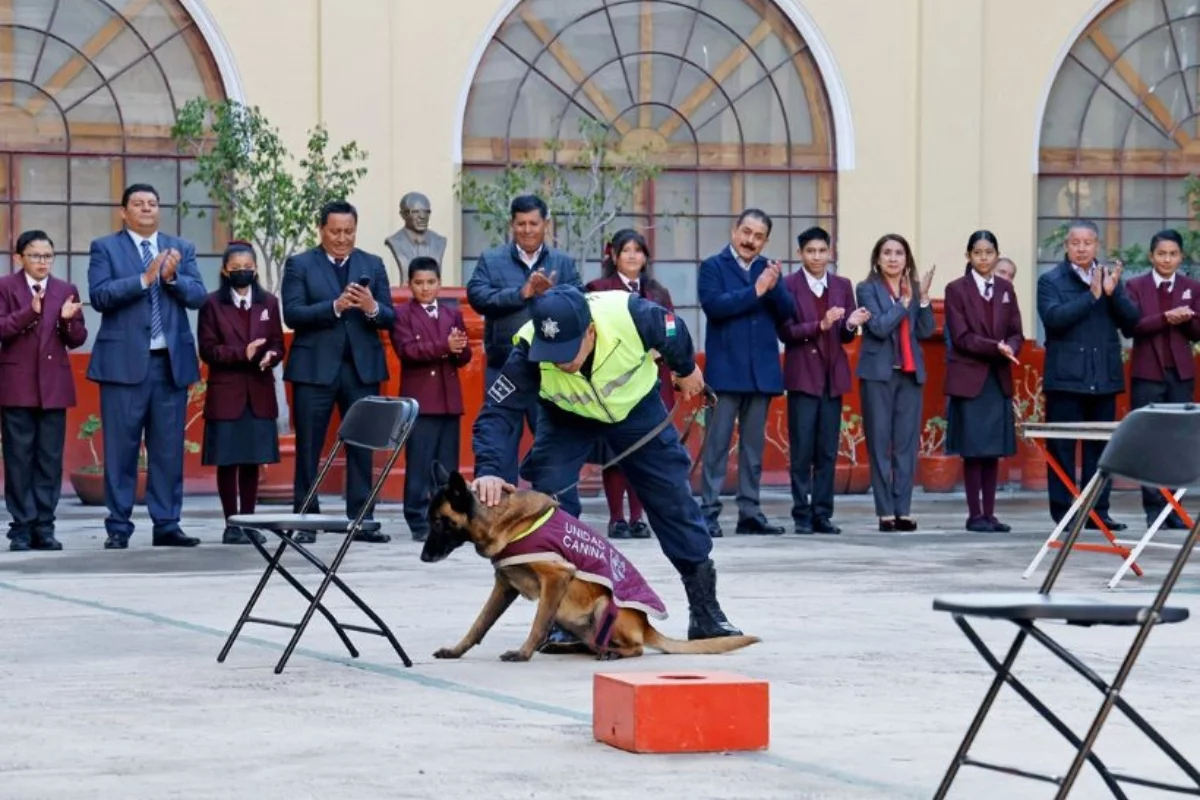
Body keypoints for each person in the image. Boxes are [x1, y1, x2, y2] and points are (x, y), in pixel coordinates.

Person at [472, 284, 744, 642]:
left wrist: (685, 367)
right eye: (550, 352)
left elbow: (673, 329)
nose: (559, 361)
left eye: (567, 352)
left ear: (590, 331)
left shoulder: (629, 314)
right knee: (550, 503)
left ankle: (706, 611)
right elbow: (497, 412)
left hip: (636, 410)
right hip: (566, 415)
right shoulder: (527, 351)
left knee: (672, 500)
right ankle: (564, 620)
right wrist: (489, 468)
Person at [86, 183, 207, 549]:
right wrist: (145, 278)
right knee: (120, 450)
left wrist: (171, 278)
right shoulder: (105, 248)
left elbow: (199, 296)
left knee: (168, 449)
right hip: (122, 366)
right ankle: (118, 526)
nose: (146, 209)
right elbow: (100, 296)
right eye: (137, 204)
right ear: (124, 212)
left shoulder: (180, 248)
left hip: (168, 364)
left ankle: (167, 523)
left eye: (152, 203)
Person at [281, 200, 395, 543]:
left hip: (361, 368)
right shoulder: (300, 264)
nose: (343, 238)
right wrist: (334, 307)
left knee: (363, 443)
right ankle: (306, 519)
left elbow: (390, 316)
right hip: (314, 368)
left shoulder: (372, 264)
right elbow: (293, 313)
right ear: (321, 230)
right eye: (335, 231)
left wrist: (372, 308)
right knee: (309, 446)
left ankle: (362, 518)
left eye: (349, 231)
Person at [466, 195, 581, 485]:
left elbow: (582, 303)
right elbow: (477, 296)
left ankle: (556, 516)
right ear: (512, 224)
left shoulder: (563, 262)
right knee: (500, 440)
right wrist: (522, 293)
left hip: (550, 368)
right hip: (503, 366)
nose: (527, 230)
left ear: (546, 224)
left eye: (534, 223)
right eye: (521, 224)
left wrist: (554, 294)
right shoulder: (491, 260)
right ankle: (501, 515)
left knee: (550, 442)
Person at [697, 208, 795, 538]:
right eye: (746, 232)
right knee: (717, 446)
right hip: (725, 372)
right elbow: (716, 306)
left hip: (760, 373)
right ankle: (708, 511)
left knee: (753, 450)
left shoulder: (768, 271)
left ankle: (750, 512)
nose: (750, 241)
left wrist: (774, 284)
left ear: (765, 241)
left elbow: (787, 313)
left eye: (758, 236)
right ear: (734, 231)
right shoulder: (712, 266)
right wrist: (756, 290)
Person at [1037, 219, 1139, 530]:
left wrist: (1112, 295)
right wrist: (1091, 296)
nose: (1082, 248)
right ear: (1066, 246)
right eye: (1075, 243)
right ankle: (1065, 513)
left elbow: (1132, 324)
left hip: (1103, 378)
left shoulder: (1110, 278)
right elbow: (1054, 319)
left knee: (1100, 451)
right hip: (1066, 379)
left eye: (1088, 243)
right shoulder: (1050, 280)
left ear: (1097, 246)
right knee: (1063, 449)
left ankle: (1097, 512)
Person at [777, 227, 869, 535]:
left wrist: (850, 325)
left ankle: (822, 514)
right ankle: (801, 514)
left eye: (822, 251)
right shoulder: (788, 285)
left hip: (832, 377)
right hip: (803, 376)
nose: (817, 257)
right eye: (810, 251)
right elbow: (786, 332)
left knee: (828, 450)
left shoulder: (842, 285)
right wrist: (821, 323)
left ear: (831, 252)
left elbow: (844, 334)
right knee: (802, 450)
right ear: (801, 254)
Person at [584, 228, 675, 540]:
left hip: (651, 381)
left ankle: (638, 518)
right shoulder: (598, 289)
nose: (633, 256)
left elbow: (672, 330)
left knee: (644, 451)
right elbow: (590, 331)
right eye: (626, 250)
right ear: (614, 256)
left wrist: (663, 350)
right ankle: (616, 519)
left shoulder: (659, 293)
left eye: (639, 250)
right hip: (612, 383)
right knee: (615, 453)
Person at [0, 230, 87, 551]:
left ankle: (45, 527)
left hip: (53, 387)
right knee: (19, 459)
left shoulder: (66, 289)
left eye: (48, 256)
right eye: (35, 256)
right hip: (16, 387)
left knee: (49, 460)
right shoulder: (5, 287)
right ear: (19, 257)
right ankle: (21, 528)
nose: (42, 262)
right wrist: (30, 312)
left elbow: (77, 337)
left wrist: (66, 321)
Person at [197, 242, 285, 545]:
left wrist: (270, 356)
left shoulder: (269, 303)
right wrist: (241, 353)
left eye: (247, 267)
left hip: (259, 392)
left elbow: (277, 343)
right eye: (236, 268)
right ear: (225, 271)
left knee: (252, 460)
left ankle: (249, 522)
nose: (242, 272)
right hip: (227, 393)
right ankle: (231, 523)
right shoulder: (211, 304)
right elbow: (207, 349)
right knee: (228, 460)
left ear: (256, 268)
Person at [943, 231, 1024, 533]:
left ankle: (990, 514)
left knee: (992, 450)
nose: (983, 258)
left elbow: (1016, 330)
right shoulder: (956, 289)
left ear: (996, 254)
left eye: (989, 252)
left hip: (997, 377)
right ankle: (974, 514)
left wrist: (1012, 347)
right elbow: (961, 337)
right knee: (973, 449)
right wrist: (995, 347)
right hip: (970, 376)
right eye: (977, 253)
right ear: (969, 256)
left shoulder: (1005, 288)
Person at [856, 234, 936, 532]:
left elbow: (926, 331)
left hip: (909, 374)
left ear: (907, 259)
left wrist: (924, 299)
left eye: (899, 253)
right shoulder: (866, 289)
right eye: (886, 253)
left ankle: (903, 509)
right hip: (878, 374)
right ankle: (885, 511)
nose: (892, 258)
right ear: (877, 259)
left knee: (905, 445)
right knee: (879, 444)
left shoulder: (914, 290)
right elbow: (877, 327)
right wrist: (903, 303)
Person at [389, 256, 473, 542]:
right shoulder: (402, 315)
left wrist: (459, 349)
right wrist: (444, 346)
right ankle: (417, 519)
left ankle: (448, 518)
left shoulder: (452, 313)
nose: (425, 288)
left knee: (448, 468)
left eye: (431, 282)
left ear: (439, 283)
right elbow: (408, 352)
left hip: (449, 400)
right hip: (421, 401)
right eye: (419, 283)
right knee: (420, 464)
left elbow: (463, 357)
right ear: (409, 284)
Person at [1122, 229, 1200, 528]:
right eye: (1162, 254)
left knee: (1178, 443)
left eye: (1173, 254)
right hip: (1147, 372)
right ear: (1151, 256)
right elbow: (1133, 326)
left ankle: (1173, 508)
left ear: (1181, 256)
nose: (1167, 259)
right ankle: (1153, 508)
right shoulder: (1135, 286)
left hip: (1180, 373)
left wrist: (1188, 318)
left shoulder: (1191, 287)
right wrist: (1166, 317)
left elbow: (1197, 331)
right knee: (1150, 441)